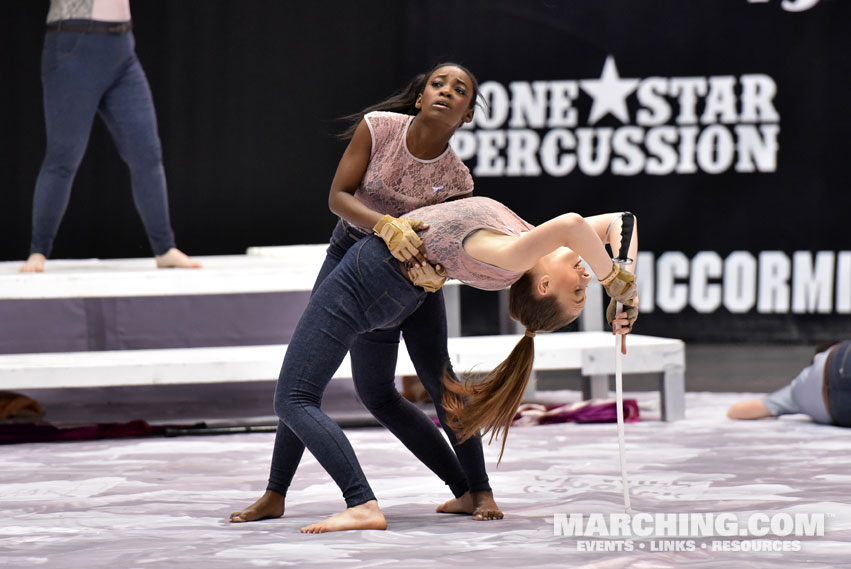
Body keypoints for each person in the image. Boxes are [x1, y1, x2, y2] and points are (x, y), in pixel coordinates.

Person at [233, 194, 638, 534]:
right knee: (383, 392)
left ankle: (360, 502)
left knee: (295, 396)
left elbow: (571, 225)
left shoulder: (514, 255)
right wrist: (625, 289)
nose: (587, 275)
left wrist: (612, 282)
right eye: (586, 285)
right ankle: (471, 491)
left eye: (580, 290)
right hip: (407, 283)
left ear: (545, 286)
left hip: (374, 275)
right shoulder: (526, 238)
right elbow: (622, 221)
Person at [231, 63, 504, 524]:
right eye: (438, 83)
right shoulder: (378, 129)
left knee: (433, 383)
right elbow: (338, 196)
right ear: (420, 98)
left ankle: (475, 490)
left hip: (412, 278)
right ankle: (275, 492)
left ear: (468, 115)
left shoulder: (458, 181)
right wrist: (383, 224)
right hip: (350, 256)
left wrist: (442, 275)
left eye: (459, 90)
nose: (446, 91)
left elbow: (451, 243)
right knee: (320, 382)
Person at [20, 0, 199, 273]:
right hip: (74, 43)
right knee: (63, 156)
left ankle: (164, 248)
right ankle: (38, 251)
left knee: (147, 154)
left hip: (122, 48)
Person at [727, 341, 851, 427]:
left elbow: (737, 411)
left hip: (838, 409)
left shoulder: (793, 392)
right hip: (838, 362)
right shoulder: (797, 388)